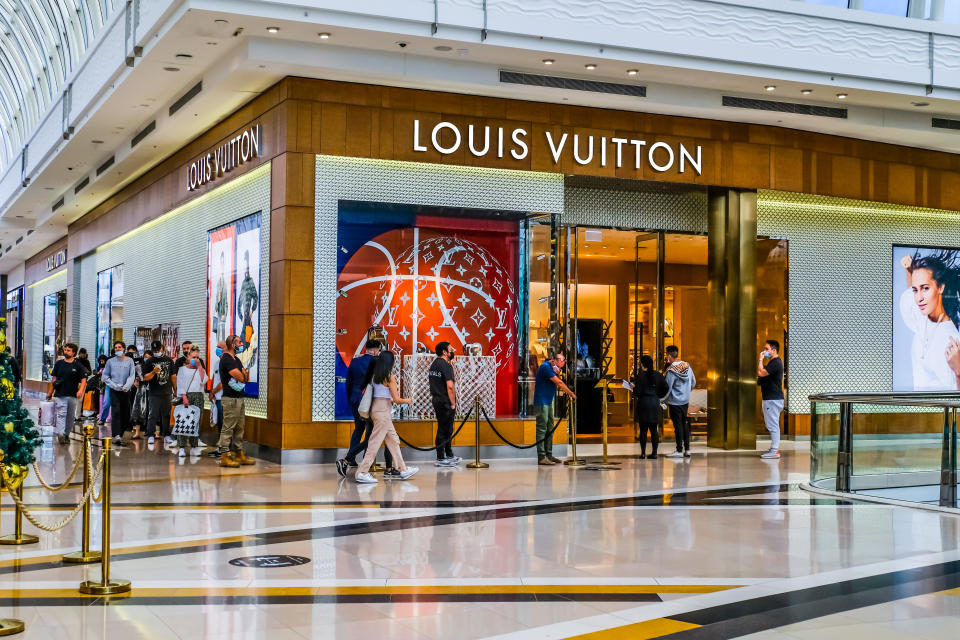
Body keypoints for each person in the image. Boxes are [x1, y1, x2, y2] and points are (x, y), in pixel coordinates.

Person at [899, 252, 960, 390]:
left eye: (925, 288)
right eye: (916, 290)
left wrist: (959, 371)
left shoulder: (952, 341)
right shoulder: (923, 318)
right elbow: (911, 297)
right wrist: (909, 271)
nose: (919, 298)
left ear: (941, 287)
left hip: (940, 411)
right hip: (918, 409)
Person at [355, 351, 417, 484]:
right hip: (383, 411)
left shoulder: (375, 375)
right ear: (390, 362)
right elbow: (396, 399)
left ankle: (403, 469)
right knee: (375, 442)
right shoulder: (389, 377)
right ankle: (362, 472)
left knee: (393, 440)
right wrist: (407, 400)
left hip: (376, 409)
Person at [336, 340, 393, 477]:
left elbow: (348, 383)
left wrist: (351, 400)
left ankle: (352, 460)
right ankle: (359, 461)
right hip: (372, 402)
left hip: (356, 401)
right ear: (377, 349)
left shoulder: (355, 361)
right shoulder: (378, 362)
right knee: (372, 434)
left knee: (359, 429)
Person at [532, 352, 576, 466]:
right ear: (555, 361)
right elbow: (559, 383)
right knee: (542, 428)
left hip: (549, 400)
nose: (563, 363)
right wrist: (571, 393)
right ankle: (542, 456)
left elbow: (557, 379)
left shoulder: (551, 367)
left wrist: (558, 372)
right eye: (562, 361)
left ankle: (549, 454)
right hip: (542, 401)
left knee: (550, 426)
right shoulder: (546, 367)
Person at [218, 334, 255, 467]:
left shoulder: (236, 360)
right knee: (228, 428)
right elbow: (241, 376)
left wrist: (244, 376)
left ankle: (239, 454)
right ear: (232, 344)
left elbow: (246, 377)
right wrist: (243, 375)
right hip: (230, 399)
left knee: (240, 428)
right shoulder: (226, 360)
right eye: (238, 343)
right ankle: (225, 455)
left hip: (239, 398)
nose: (241, 345)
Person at [47, 342, 86, 446]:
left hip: (72, 394)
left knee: (70, 416)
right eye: (65, 350)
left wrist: (81, 391)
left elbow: (83, 380)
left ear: (73, 353)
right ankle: (60, 434)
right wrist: (50, 392)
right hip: (60, 393)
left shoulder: (77, 365)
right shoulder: (59, 364)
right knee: (61, 414)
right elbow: (54, 379)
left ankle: (66, 434)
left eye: (68, 350)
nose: (66, 352)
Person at [429, 341, 461, 467]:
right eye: (451, 349)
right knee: (444, 429)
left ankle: (449, 455)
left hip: (436, 399)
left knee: (446, 428)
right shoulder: (446, 365)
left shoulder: (434, 364)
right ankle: (441, 458)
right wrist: (453, 403)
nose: (453, 350)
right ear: (444, 352)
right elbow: (450, 386)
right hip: (445, 402)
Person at [662, 345, 696, 459]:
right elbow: (693, 382)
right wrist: (686, 392)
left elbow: (667, 388)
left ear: (669, 355)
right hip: (685, 401)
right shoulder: (687, 366)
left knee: (678, 426)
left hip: (675, 402)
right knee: (684, 424)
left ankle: (679, 450)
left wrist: (662, 400)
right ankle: (687, 449)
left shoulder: (671, 370)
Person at [632, 354, 667, 459]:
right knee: (653, 430)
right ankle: (654, 453)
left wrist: (633, 388)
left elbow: (637, 392)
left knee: (643, 430)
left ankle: (643, 453)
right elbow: (665, 387)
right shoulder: (658, 375)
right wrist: (658, 395)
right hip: (654, 403)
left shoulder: (640, 376)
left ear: (642, 364)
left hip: (643, 403)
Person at [176, 345, 208, 458]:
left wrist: (200, 367)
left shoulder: (201, 369)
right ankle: (181, 447)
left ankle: (194, 446)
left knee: (196, 422)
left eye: (198, 357)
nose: (196, 359)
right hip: (186, 396)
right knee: (183, 422)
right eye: (194, 357)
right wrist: (184, 397)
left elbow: (204, 381)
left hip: (198, 397)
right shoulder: (182, 370)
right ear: (188, 357)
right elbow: (180, 384)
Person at [101, 341, 135, 446]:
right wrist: (114, 386)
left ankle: (121, 433)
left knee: (125, 413)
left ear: (124, 348)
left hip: (126, 390)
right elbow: (105, 376)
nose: (117, 349)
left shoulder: (129, 361)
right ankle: (116, 435)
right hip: (114, 390)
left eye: (119, 347)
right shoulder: (110, 362)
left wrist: (126, 386)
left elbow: (132, 375)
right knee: (116, 411)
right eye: (115, 347)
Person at [142, 340, 176, 447]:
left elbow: (173, 375)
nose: (156, 351)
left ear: (162, 348)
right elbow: (145, 377)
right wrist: (153, 372)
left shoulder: (168, 360)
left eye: (158, 349)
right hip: (154, 392)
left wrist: (176, 389)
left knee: (166, 414)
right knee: (153, 414)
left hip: (167, 392)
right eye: (154, 350)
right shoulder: (149, 361)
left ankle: (166, 434)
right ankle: (151, 434)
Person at [758, 339, 785, 460]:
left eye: (766, 349)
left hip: (773, 399)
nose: (764, 351)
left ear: (774, 350)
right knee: (772, 424)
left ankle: (774, 450)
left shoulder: (776, 362)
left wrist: (760, 359)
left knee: (773, 425)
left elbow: (761, 373)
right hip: (771, 398)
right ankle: (773, 449)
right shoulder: (774, 363)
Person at [207, 339, 225, 455]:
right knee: (219, 423)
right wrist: (211, 392)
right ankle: (220, 447)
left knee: (224, 424)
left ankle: (223, 448)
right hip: (216, 398)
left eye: (220, 347)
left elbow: (223, 382)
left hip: (224, 398)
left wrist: (214, 391)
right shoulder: (217, 362)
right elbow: (215, 377)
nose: (217, 349)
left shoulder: (227, 362)